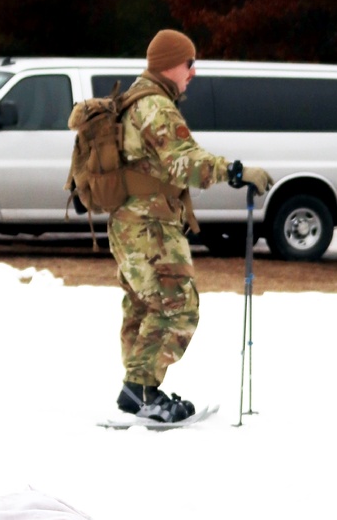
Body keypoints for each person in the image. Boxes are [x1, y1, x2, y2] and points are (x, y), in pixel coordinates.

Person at [110, 28, 271, 423]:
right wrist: (236, 171)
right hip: (150, 227)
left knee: (144, 307)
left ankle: (142, 389)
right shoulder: (156, 108)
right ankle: (141, 391)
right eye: (189, 63)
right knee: (178, 307)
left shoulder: (135, 100)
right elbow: (187, 163)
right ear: (169, 64)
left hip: (130, 223)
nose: (193, 72)